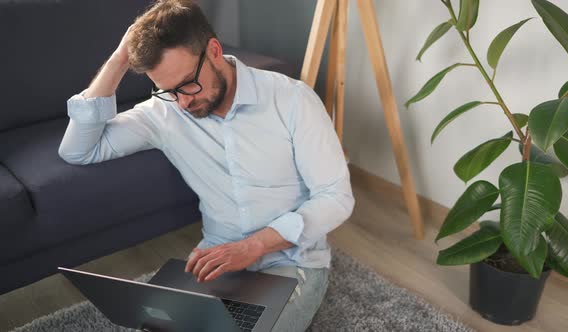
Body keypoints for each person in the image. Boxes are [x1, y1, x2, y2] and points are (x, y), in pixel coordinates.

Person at [58, 0, 354, 330]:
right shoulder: (165, 112)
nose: (183, 102)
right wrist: (118, 61)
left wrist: (253, 246)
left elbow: (336, 197)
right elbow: (78, 151)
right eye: (168, 90)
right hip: (217, 261)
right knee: (156, 324)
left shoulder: (293, 101)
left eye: (188, 84)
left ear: (214, 50)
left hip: (291, 262)